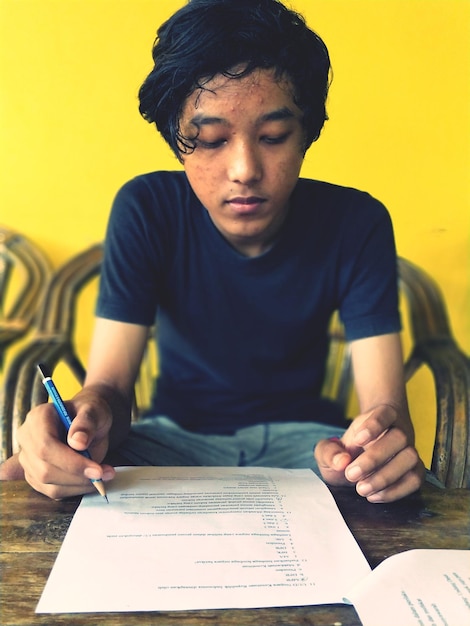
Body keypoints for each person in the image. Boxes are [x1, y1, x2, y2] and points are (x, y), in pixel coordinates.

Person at [0, 0, 425, 501]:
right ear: (177, 143)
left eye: (272, 136)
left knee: (405, 498)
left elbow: (386, 410)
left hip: (309, 452)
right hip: (169, 445)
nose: (244, 168)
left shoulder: (357, 222)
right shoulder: (147, 208)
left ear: (306, 135)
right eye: (209, 140)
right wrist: (85, 420)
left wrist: (373, 448)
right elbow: (109, 390)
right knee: (25, 483)